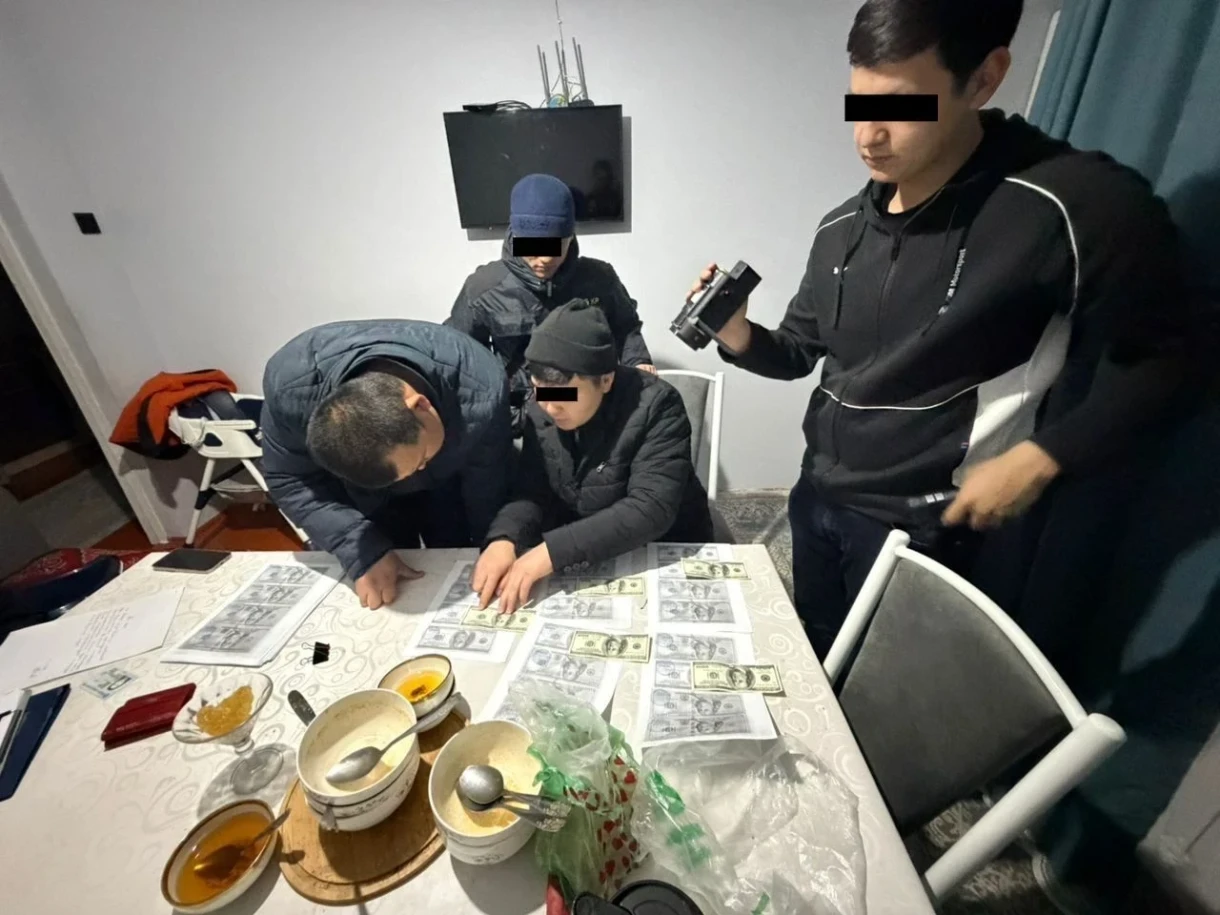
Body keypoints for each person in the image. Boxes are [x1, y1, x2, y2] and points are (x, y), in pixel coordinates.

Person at [688, 0, 1195, 656]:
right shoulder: (840, 227)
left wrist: (1044, 457)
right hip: (817, 494)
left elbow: (1172, 354)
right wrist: (735, 331)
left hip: (933, 526)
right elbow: (797, 353)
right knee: (816, 656)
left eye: (900, 108)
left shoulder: (1071, 203)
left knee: (893, 692)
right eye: (857, 105)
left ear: (984, 78)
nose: (868, 137)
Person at [471, 301, 714, 611]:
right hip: (589, 551)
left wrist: (550, 552)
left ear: (606, 380)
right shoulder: (541, 405)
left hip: (662, 548)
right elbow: (532, 489)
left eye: (565, 394)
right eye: (541, 390)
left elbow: (650, 507)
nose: (550, 407)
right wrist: (504, 537)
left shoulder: (658, 404)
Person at [261, 320, 511, 610]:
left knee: (453, 554)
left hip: (449, 481)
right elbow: (290, 480)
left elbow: (487, 479)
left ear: (421, 406)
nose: (411, 477)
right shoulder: (291, 390)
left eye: (420, 459)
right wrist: (361, 550)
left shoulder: (479, 384)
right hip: (365, 496)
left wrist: (494, 541)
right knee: (385, 577)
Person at [447, 173, 655, 434]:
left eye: (555, 246)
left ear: (571, 237)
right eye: (533, 247)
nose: (544, 259)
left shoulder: (600, 279)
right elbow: (460, 353)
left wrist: (638, 362)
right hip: (521, 413)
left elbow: (625, 327)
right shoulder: (483, 287)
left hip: (588, 409)